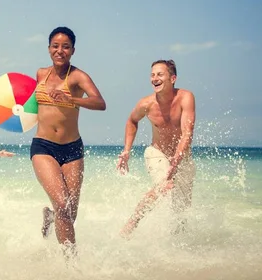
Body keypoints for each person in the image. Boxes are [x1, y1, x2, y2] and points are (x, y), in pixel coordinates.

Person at [31, 26, 106, 256]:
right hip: (43, 147)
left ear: (73, 50)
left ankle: (51, 216)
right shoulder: (40, 74)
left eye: (65, 46)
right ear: (49, 49)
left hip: (73, 148)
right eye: (55, 46)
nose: (60, 50)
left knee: (69, 213)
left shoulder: (78, 76)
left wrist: (70, 98)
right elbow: (29, 104)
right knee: (64, 205)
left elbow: (100, 103)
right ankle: (71, 265)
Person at [117, 59, 196, 237]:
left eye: (160, 74)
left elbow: (187, 132)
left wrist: (178, 157)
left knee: (181, 209)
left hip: (183, 156)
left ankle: (178, 245)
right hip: (157, 152)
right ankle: (132, 223)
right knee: (164, 186)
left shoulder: (185, 97)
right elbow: (132, 121)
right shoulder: (146, 104)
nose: (155, 78)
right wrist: (127, 150)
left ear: (173, 78)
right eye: (152, 75)